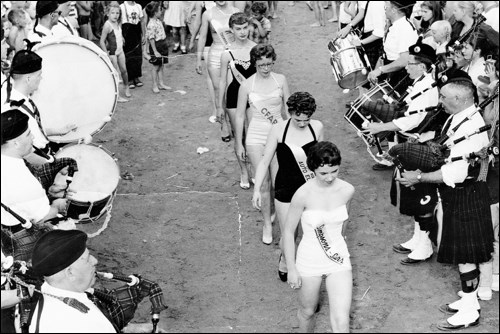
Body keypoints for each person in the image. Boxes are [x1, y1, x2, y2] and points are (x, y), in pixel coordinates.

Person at [397, 73, 493, 330]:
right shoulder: (460, 116)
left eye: (444, 97)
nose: (439, 101)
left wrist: (419, 176)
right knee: (465, 255)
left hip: (467, 194)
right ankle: (468, 301)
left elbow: (456, 172)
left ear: (460, 99)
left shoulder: (471, 129)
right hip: (459, 194)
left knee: (466, 255)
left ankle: (471, 309)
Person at [362, 39, 439, 265]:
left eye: (411, 63)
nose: (406, 66)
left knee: (421, 194)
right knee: (412, 192)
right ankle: (417, 238)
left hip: (420, 147)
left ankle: (425, 245)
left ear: (422, 66)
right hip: (409, 143)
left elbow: (412, 120)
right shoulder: (419, 82)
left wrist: (381, 127)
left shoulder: (428, 89)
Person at [28, 229, 167, 333]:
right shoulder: (80, 324)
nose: (95, 261)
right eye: (88, 259)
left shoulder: (51, 290)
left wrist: (128, 329)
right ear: (70, 273)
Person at [284, 141, 355, 333]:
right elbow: (289, 232)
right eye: (324, 173)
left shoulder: (347, 190)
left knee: (341, 319)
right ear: (313, 169)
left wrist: (340, 245)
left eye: (335, 171)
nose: (330, 177)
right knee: (307, 312)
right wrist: (291, 268)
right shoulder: (302, 195)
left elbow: (344, 222)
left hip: (337, 258)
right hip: (309, 260)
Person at [252, 92, 324, 281]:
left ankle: (300, 262)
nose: (302, 123)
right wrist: (257, 189)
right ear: (290, 112)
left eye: (306, 119)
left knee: (306, 232)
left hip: (309, 187)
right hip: (285, 188)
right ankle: (286, 260)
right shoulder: (278, 130)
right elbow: (264, 161)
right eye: (298, 119)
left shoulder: (317, 128)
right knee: (288, 233)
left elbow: (322, 161)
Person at [235, 44, 290, 245]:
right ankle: (267, 223)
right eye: (261, 65)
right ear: (254, 64)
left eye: (269, 64)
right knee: (264, 183)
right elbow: (240, 116)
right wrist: (239, 144)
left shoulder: (281, 80)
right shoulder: (247, 85)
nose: (266, 68)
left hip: (277, 134)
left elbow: (288, 108)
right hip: (256, 136)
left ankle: (277, 213)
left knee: (279, 181)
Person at [2, 48, 77, 164]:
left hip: (45, 154)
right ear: (28, 78)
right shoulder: (11, 109)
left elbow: (35, 132)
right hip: (37, 162)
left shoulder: (24, 99)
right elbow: (25, 154)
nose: (41, 79)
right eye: (39, 75)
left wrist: (61, 131)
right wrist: (53, 165)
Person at [1, 109, 70, 228]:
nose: (33, 137)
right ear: (15, 143)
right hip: (20, 232)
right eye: (28, 134)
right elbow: (45, 218)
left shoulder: (7, 159)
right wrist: (58, 205)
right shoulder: (20, 180)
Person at [218, 12, 256, 189]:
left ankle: (255, 168)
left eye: (245, 28)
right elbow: (222, 82)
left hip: (253, 97)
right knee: (239, 136)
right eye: (238, 29)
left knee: (254, 135)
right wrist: (219, 106)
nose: (242, 32)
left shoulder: (256, 49)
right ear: (231, 30)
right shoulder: (227, 54)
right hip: (234, 97)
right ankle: (243, 171)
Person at [195, 0, 239, 140]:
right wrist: (198, 58)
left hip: (233, 54)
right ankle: (224, 126)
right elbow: (202, 37)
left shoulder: (236, 11)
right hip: (215, 56)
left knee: (235, 90)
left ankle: (237, 126)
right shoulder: (208, 14)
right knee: (219, 91)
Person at [100, 2, 131, 102]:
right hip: (113, 53)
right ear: (107, 13)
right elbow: (102, 41)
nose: (115, 15)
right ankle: (117, 96)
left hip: (120, 51)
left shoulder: (117, 22)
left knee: (124, 70)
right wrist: (106, 54)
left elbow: (117, 32)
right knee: (115, 74)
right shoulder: (107, 25)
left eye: (117, 13)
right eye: (113, 13)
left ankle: (127, 86)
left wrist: (121, 37)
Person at [145, 1, 170, 94]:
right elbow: (151, 39)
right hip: (156, 46)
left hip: (162, 44)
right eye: (160, 10)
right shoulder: (151, 24)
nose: (161, 11)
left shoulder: (158, 21)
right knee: (156, 66)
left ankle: (161, 83)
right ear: (155, 13)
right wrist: (155, 51)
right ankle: (154, 85)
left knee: (161, 65)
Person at [120, 1, 146, 90]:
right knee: (129, 56)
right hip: (127, 32)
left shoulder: (138, 6)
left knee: (137, 55)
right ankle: (130, 78)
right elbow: (119, 23)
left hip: (136, 32)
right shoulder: (122, 7)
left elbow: (142, 21)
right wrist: (121, 36)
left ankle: (136, 76)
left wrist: (144, 35)